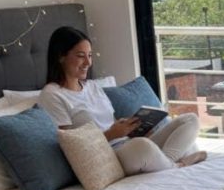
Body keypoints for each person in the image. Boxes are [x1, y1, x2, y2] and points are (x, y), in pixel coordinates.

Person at [39, 26, 206, 175]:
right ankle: (177, 165)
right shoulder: (52, 95)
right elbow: (72, 146)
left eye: (90, 55)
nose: (88, 62)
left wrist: (131, 129)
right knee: (142, 147)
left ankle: (165, 162)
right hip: (108, 155)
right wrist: (113, 134)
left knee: (190, 120)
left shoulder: (92, 87)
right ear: (61, 57)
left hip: (126, 143)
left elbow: (110, 122)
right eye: (80, 56)